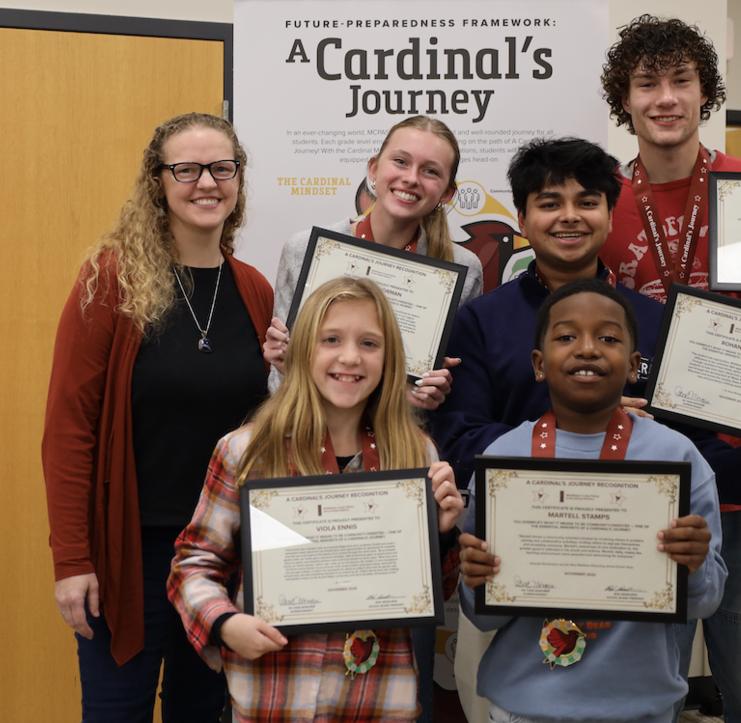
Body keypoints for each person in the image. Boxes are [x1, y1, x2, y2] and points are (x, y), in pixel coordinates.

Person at [428, 136, 741, 722]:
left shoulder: (653, 320)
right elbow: (460, 440)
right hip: (526, 565)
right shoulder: (482, 319)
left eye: (586, 201)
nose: (568, 216)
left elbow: (695, 447)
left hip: (630, 580)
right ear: (522, 218)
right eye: (548, 202)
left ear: (608, 214)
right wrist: (571, 437)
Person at [600, 14, 741, 722]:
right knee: (644, 686)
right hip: (648, 471)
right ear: (624, 100)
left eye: (681, 80)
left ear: (705, 94)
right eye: (647, 83)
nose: (664, 97)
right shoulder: (600, 199)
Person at [41, 112, 274, 721]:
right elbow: (69, 432)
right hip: (128, 558)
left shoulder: (253, 289)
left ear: (239, 180)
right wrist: (72, 562)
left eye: (222, 168)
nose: (206, 183)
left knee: (202, 714)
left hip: (222, 557)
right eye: (187, 168)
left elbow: (262, 427)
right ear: (157, 182)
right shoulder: (110, 281)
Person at [168, 277, 464, 723]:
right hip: (273, 697)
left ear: (390, 360)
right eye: (331, 339)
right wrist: (225, 625)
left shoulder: (416, 454)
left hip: (377, 699)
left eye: (369, 343)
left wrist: (442, 537)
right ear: (304, 348)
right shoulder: (246, 451)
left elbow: (432, 593)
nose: (350, 357)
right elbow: (193, 565)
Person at [457, 279, 727, 723]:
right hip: (524, 708)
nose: (587, 349)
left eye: (608, 338)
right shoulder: (503, 461)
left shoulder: (677, 457)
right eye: (566, 337)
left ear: (634, 365)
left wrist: (695, 565)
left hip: (640, 706)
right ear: (539, 364)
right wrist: (475, 582)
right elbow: (482, 617)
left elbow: (706, 601)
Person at [265, 115, 484, 410]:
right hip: (311, 436)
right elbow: (281, 385)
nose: (411, 178)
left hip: (403, 443)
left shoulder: (463, 269)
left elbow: (454, 390)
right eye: (401, 162)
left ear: (446, 193)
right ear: (374, 169)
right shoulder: (305, 249)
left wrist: (432, 393)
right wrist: (284, 363)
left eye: (430, 171)